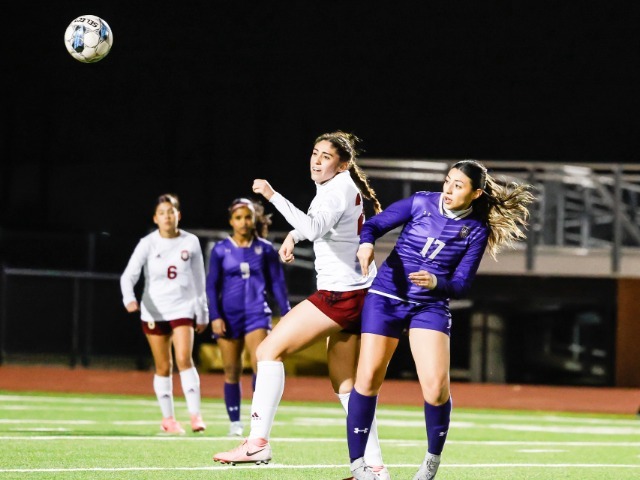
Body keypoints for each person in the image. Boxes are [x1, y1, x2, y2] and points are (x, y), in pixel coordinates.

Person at [212, 131, 391, 479]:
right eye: (314, 153)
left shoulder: (338, 189)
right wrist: (293, 236)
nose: (317, 160)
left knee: (267, 351)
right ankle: (375, 468)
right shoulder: (338, 187)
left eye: (326, 156)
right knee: (346, 387)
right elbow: (316, 229)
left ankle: (257, 442)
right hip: (359, 294)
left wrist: (272, 195)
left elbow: (313, 225)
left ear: (342, 164)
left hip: (340, 296)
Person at [345, 160, 534, 480]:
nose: (448, 189)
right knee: (366, 380)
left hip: (428, 306)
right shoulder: (421, 202)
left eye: (458, 185)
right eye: (448, 181)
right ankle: (359, 466)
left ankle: (431, 462)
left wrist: (435, 283)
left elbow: (460, 285)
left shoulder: (476, 229)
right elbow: (375, 225)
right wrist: (366, 244)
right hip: (386, 298)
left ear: (475, 194)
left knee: (435, 390)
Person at [120, 193, 209, 434]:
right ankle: (168, 419)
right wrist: (129, 298)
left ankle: (195, 415)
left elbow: (199, 280)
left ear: (178, 215)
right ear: (155, 218)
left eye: (171, 212)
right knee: (163, 366)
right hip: (153, 309)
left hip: (183, 307)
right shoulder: (148, 243)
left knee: (183, 359)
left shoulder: (190, 242)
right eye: (162, 213)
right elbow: (129, 275)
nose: (167, 217)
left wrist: (203, 313)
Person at [206, 197, 291, 437]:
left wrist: (286, 312)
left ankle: (258, 418)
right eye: (238, 218)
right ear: (231, 221)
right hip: (228, 316)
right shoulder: (221, 250)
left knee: (260, 367)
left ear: (254, 219)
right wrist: (215, 316)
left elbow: (277, 283)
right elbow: (212, 285)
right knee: (232, 370)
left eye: (247, 217)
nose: (243, 222)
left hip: (256, 314)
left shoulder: (264, 249)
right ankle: (234, 423)